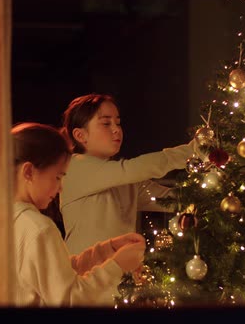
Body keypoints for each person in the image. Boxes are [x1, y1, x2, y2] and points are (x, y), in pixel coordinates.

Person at [11, 122, 146, 307]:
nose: (60, 188)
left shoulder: (6, 220)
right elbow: (70, 299)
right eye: (58, 177)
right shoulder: (39, 228)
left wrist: (107, 250)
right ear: (28, 171)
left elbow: (54, 274)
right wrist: (118, 266)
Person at [59, 93, 199, 255]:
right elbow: (133, 169)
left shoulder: (124, 179)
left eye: (118, 123)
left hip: (122, 275)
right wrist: (192, 151)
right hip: (85, 276)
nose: (116, 129)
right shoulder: (75, 166)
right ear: (80, 135)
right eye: (106, 123)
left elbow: (170, 200)